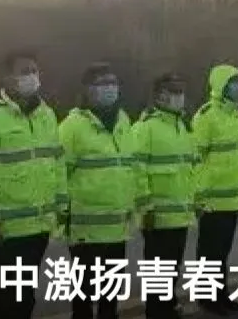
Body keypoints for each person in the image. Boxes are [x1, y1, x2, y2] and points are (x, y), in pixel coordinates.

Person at [0, 50, 66, 319]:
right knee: (2, 296)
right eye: (24, 71)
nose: (31, 77)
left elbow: (56, 162)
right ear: (6, 78)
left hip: (39, 225)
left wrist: (61, 205)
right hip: (6, 228)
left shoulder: (46, 114)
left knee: (25, 295)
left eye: (34, 71)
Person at [58, 62, 142, 319]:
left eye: (113, 83)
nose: (110, 88)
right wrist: (63, 213)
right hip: (86, 227)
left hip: (117, 225)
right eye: (103, 83)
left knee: (110, 291)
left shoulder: (123, 121)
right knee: (84, 291)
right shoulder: (72, 126)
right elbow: (59, 173)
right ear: (87, 89)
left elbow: (129, 167)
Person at [132, 72, 197, 319]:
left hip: (179, 213)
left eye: (181, 91)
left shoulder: (182, 126)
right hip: (157, 215)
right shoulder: (145, 128)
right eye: (174, 91)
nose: (180, 96)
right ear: (159, 95)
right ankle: (156, 312)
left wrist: (194, 202)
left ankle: (168, 307)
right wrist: (146, 208)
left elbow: (189, 169)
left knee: (172, 268)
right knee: (158, 269)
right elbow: (138, 169)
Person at [190, 64, 238, 315]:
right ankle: (207, 297)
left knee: (223, 251)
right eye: (234, 83)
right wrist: (199, 195)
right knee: (209, 252)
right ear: (221, 86)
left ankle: (221, 295)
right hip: (212, 198)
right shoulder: (206, 116)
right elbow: (196, 160)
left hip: (231, 197)